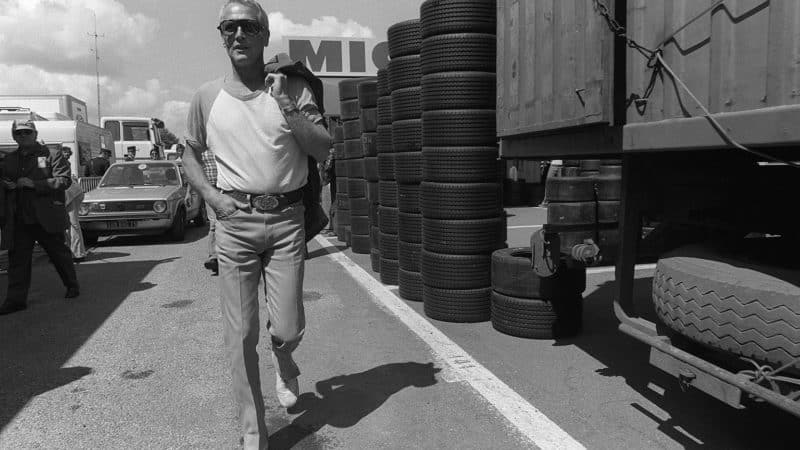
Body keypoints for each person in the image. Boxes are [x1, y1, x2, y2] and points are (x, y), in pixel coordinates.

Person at [181, 1, 331, 447]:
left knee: (286, 328)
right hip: (234, 222)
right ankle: (253, 431)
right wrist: (212, 198)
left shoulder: (294, 88)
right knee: (241, 333)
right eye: (229, 27)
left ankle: (285, 359)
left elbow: (322, 148)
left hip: (287, 220)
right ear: (222, 35)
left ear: (265, 36)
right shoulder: (206, 97)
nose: (238, 34)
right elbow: (188, 154)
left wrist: (285, 104)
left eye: (248, 26)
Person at [0, 120, 80, 316]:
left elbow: (64, 180)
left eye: (27, 132)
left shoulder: (51, 154)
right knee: (17, 261)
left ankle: (72, 285)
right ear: (14, 136)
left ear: (35, 134)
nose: (23, 136)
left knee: (58, 254)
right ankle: (15, 300)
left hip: (46, 217)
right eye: (19, 133)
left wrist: (34, 184)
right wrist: (7, 185)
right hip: (20, 218)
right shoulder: (9, 160)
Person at [61, 146, 88, 261]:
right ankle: (72, 252)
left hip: (72, 194)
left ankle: (78, 253)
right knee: (69, 225)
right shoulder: (62, 162)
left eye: (68, 154)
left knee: (73, 224)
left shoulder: (63, 163)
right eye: (65, 153)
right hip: (71, 193)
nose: (67, 155)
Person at [201, 148, 219, 275]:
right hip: (210, 190)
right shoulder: (201, 151)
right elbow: (195, 172)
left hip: (227, 189)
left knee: (229, 221)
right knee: (214, 224)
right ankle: (214, 257)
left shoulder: (223, 145)